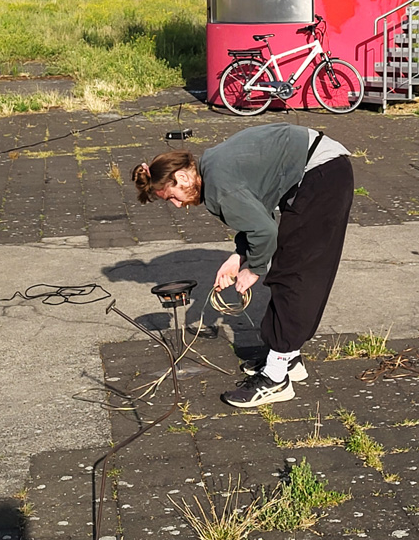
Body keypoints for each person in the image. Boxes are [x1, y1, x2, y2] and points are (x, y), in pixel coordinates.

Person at [131, 123, 354, 407]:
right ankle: (288, 358)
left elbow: (264, 231)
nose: (177, 205)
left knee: (293, 275)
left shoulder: (218, 188)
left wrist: (254, 269)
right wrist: (238, 257)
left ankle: (275, 378)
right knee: (292, 267)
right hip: (319, 168)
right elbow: (255, 213)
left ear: (183, 176)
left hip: (323, 174)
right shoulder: (211, 166)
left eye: (173, 196)